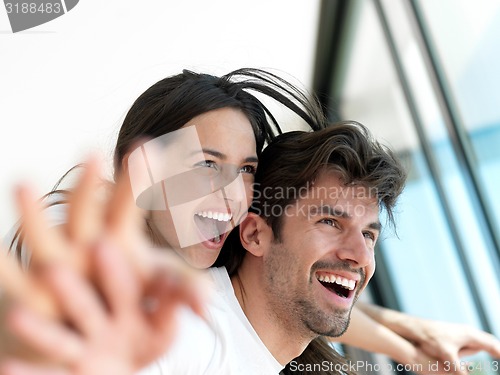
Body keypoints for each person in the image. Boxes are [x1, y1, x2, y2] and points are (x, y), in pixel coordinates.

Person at [0, 69, 499, 373]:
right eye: (207, 164)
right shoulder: (83, 234)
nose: (233, 193)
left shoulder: (191, 266)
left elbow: (297, 288)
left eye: (246, 171)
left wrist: (412, 339)